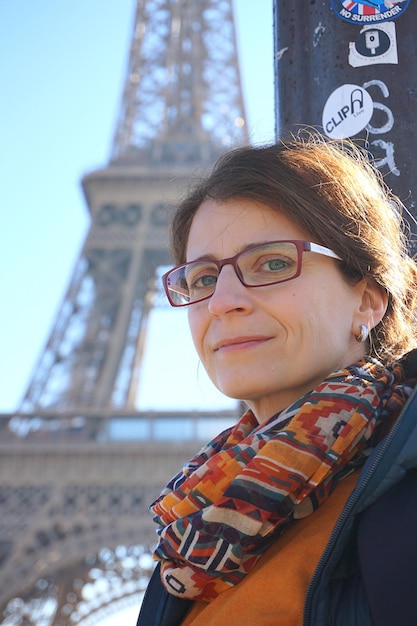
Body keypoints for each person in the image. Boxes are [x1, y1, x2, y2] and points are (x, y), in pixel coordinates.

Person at [137, 134, 417, 626]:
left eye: (271, 263)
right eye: (202, 278)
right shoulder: (196, 524)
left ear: (368, 299)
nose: (222, 302)